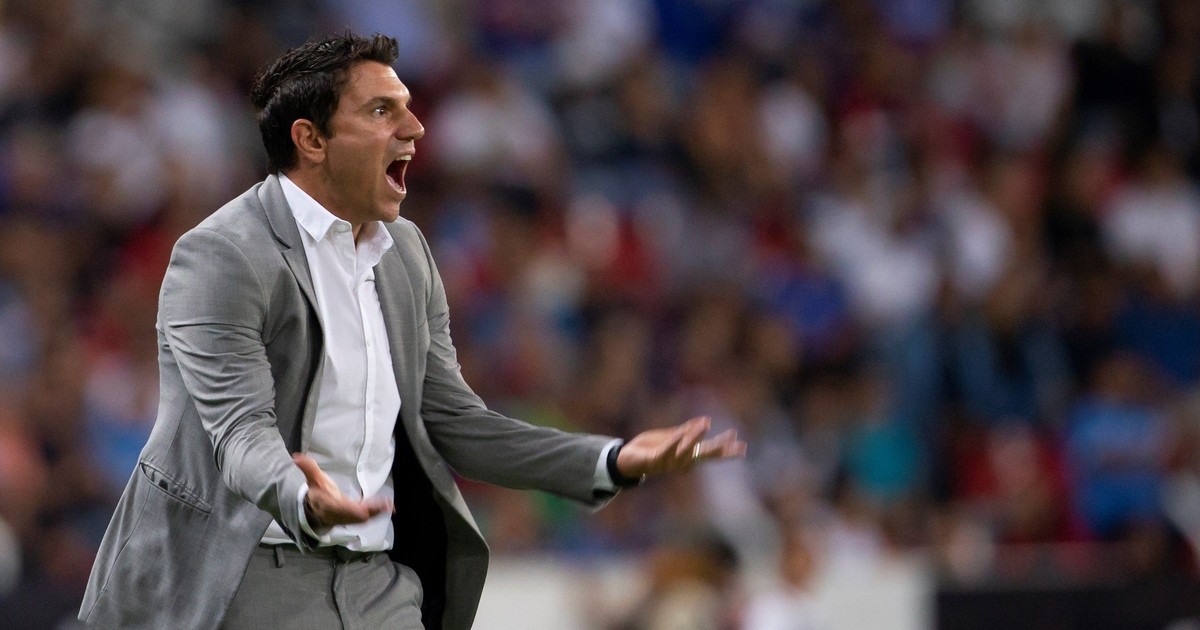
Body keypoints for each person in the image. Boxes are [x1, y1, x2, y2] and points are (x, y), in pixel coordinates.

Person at [77, 32, 745, 630]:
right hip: (244, 573)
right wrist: (300, 494)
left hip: (377, 581)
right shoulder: (221, 254)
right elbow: (239, 430)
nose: (415, 127)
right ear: (311, 140)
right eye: (381, 112)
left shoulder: (406, 252)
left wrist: (610, 460)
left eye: (407, 107)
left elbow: (455, 421)